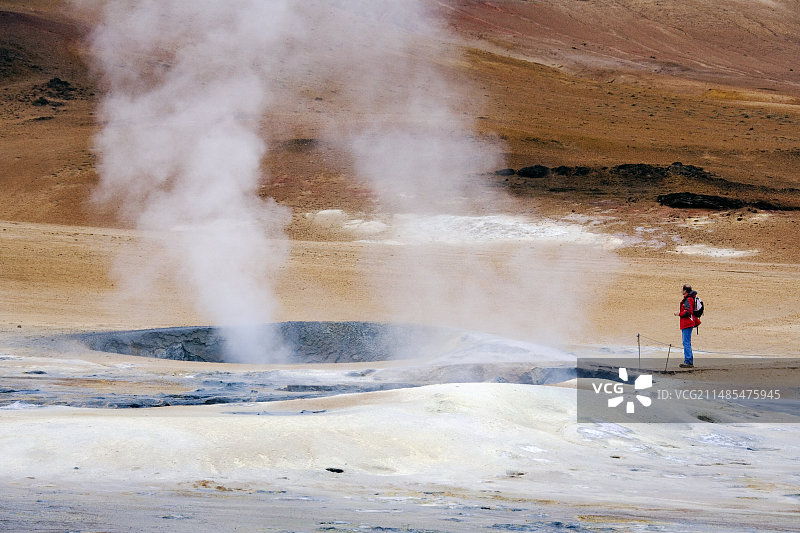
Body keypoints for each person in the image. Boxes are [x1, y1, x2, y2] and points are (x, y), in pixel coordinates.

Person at [674, 284, 700, 368]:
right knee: (686, 342)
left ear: (685, 291)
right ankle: (688, 361)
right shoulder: (689, 298)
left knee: (686, 342)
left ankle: (688, 361)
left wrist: (679, 314)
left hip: (687, 323)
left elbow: (689, 311)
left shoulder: (688, 299)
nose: (681, 291)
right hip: (688, 323)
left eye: (682, 290)